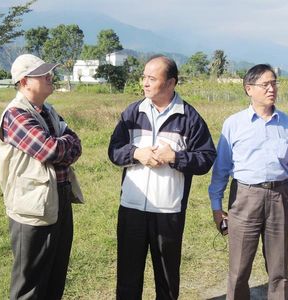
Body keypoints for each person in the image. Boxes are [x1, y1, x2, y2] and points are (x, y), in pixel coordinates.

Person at [108, 55, 216, 299]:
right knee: (127, 277)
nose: (144, 83)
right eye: (143, 77)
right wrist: (137, 153)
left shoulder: (189, 118)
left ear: (170, 83)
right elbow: (114, 150)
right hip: (132, 208)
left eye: (152, 78)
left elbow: (207, 158)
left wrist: (175, 158)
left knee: (167, 279)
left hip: (169, 211)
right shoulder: (132, 113)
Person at [208, 64, 288, 300]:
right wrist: (216, 206)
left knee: (279, 269)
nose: (272, 89)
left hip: (279, 198)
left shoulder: (286, 123)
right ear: (249, 89)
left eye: (274, 83)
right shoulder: (234, 123)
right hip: (245, 197)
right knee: (239, 269)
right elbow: (221, 169)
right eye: (265, 84)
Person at [0, 54, 84, 299]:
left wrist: (63, 143)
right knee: (30, 283)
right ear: (24, 82)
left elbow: (76, 143)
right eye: (42, 74)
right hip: (32, 206)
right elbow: (51, 150)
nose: (49, 77)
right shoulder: (16, 115)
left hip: (59, 198)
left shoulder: (47, 110)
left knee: (56, 275)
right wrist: (63, 143)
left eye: (49, 72)